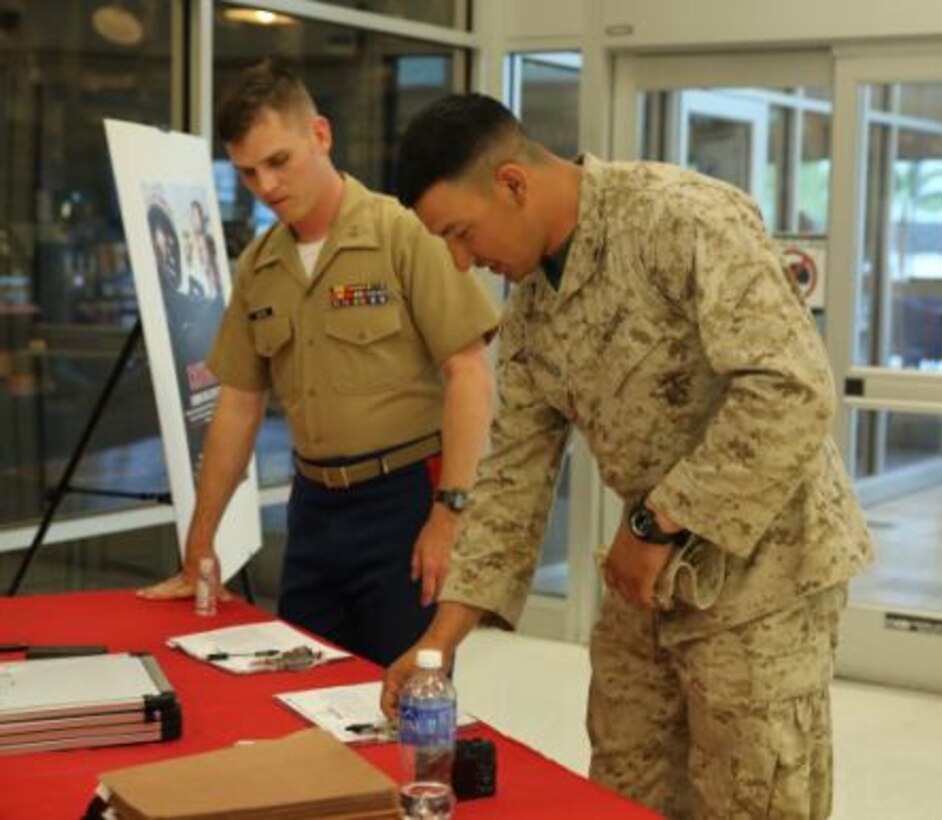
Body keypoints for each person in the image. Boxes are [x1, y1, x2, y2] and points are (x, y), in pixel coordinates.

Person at [381, 93, 874, 819]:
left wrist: (656, 523)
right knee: (623, 789)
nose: (460, 264)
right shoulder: (529, 314)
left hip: (766, 572)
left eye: (460, 233)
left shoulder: (682, 219)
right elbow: (513, 478)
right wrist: (438, 644)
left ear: (513, 183)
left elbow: (792, 389)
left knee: (752, 797)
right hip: (648, 585)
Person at [138, 62, 499, 668]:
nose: (267, 185)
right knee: (299, 695)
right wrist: (201, 541)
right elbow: (239, 403)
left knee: (405, 700)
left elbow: (469, 372)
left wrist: (450, 513)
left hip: (405, 504)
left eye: (279, 161)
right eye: (249, 173)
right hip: (313, 511)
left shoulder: (401, 233)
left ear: (321, 136)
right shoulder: (259, 265)